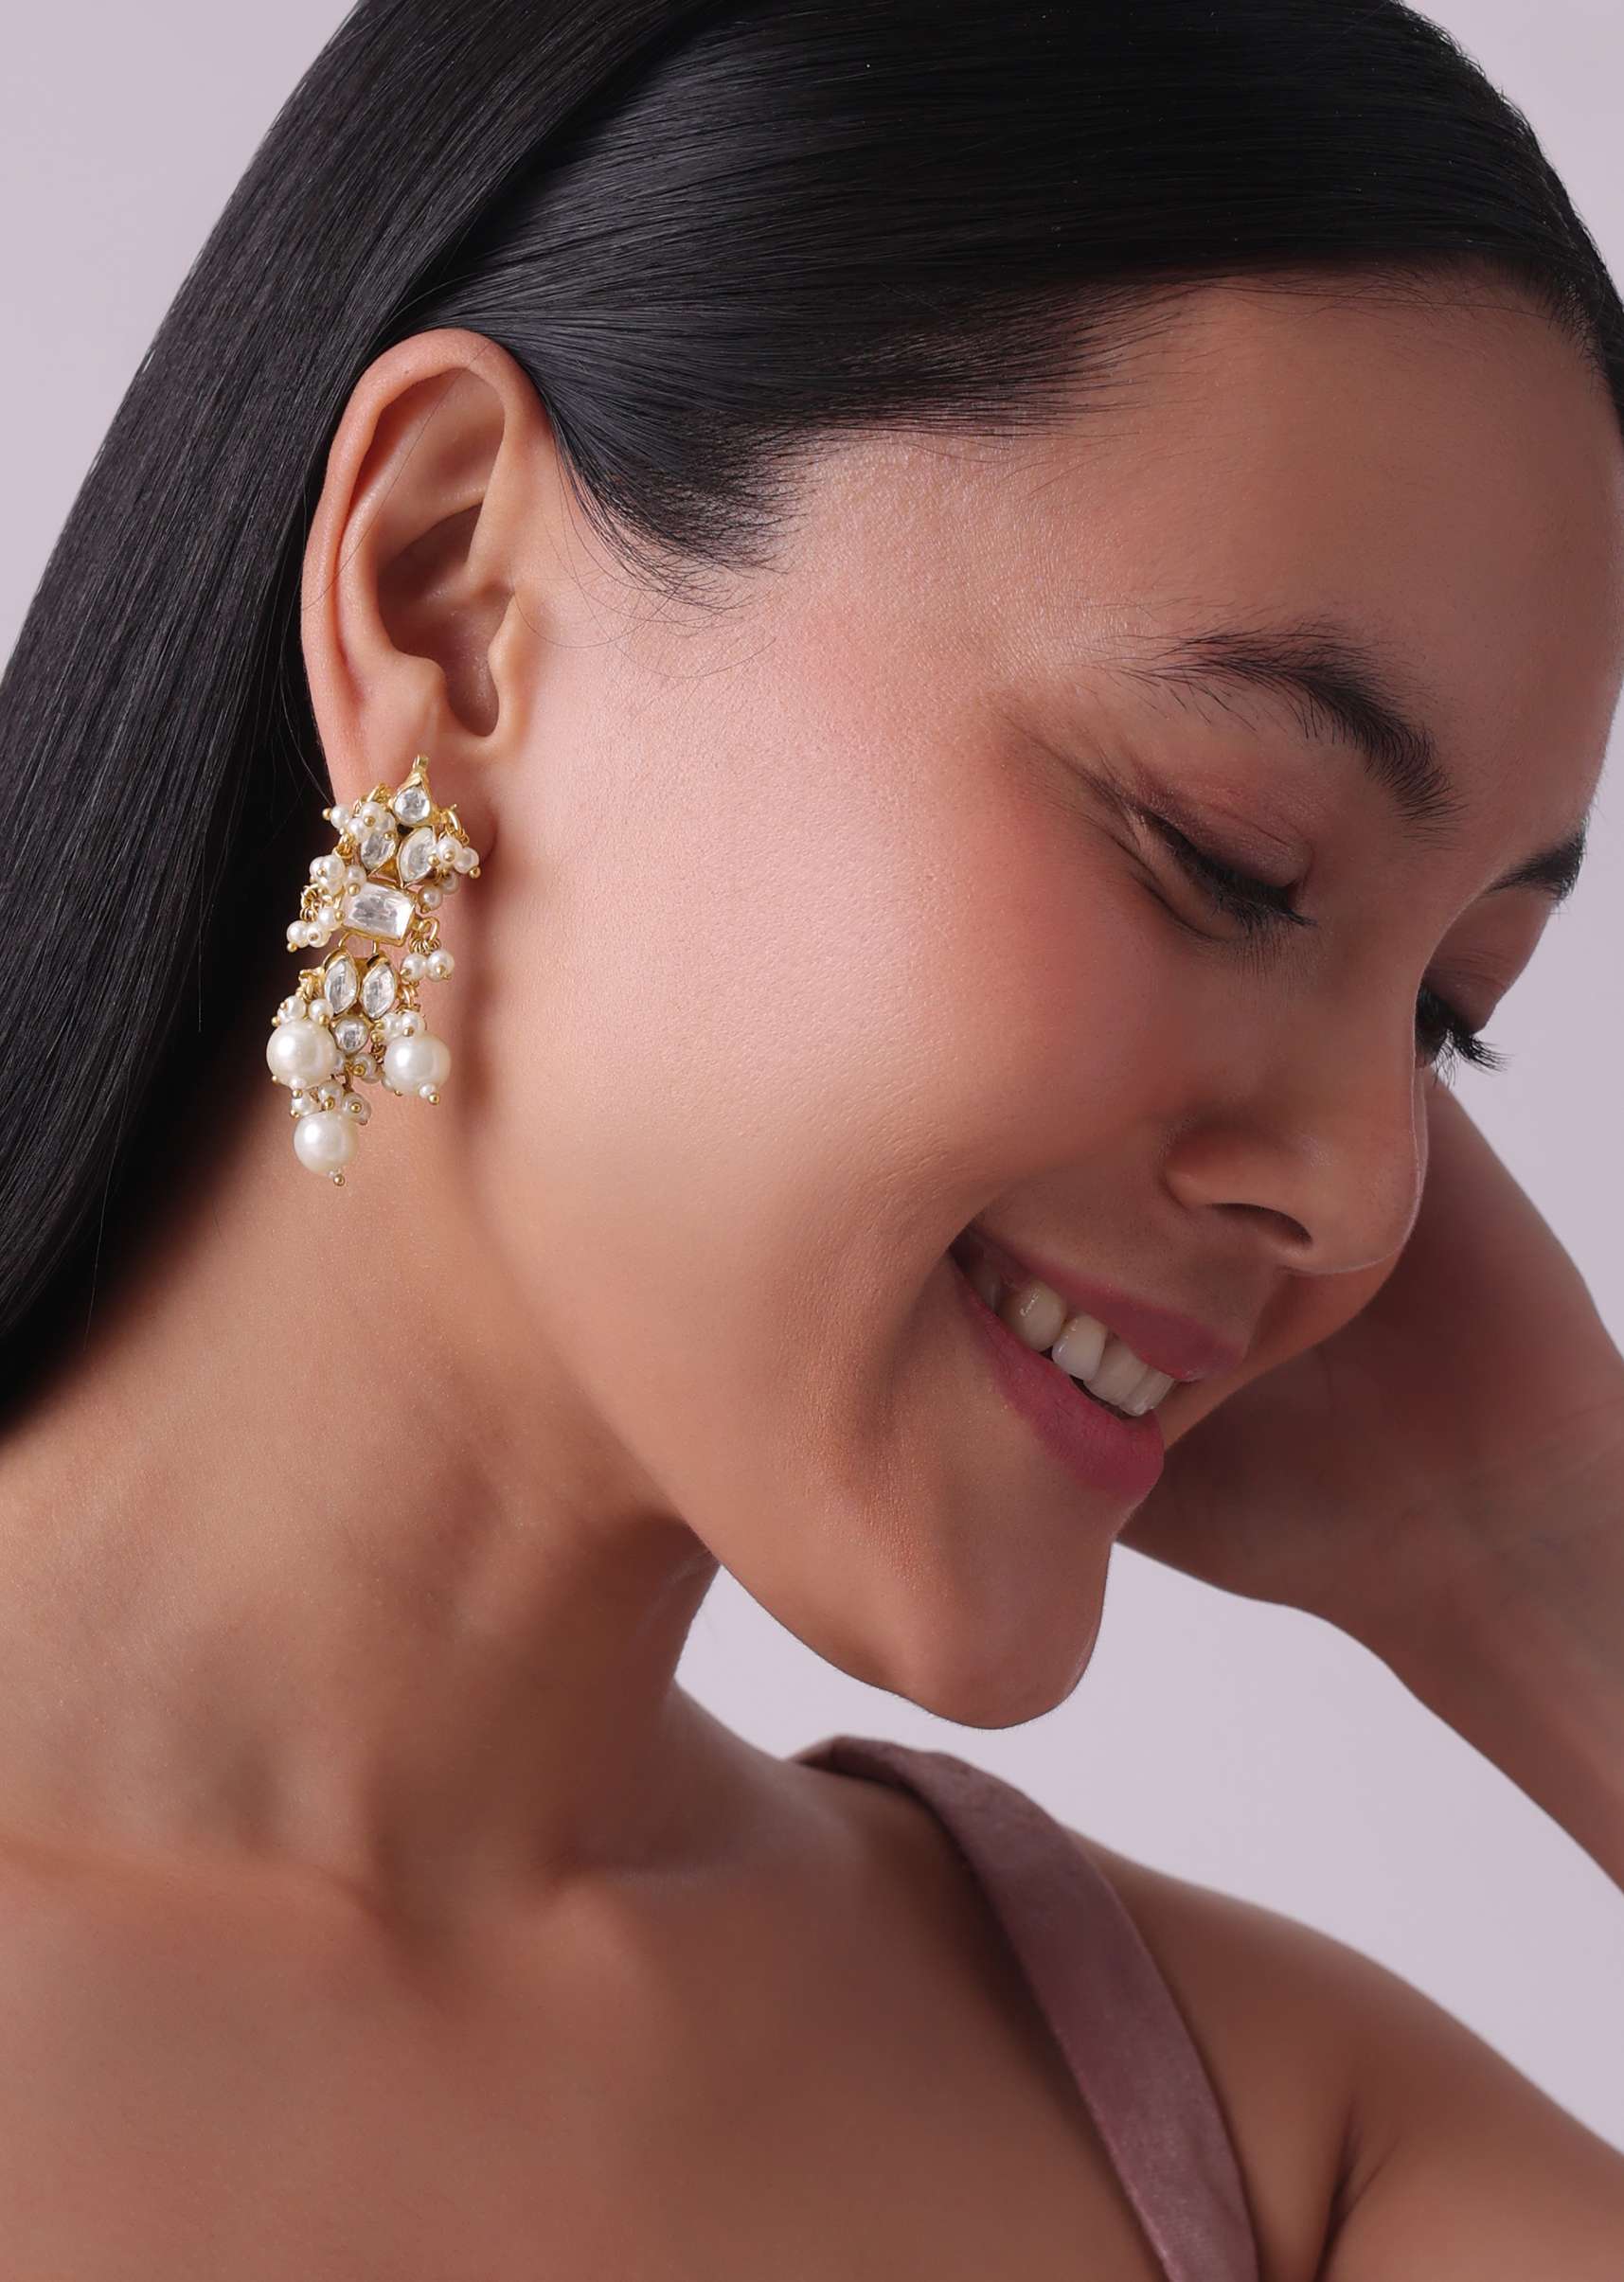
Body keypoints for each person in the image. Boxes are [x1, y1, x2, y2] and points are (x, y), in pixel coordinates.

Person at [0, 0, 1620, 2271]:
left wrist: (1554, 1572)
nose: (1363, 1192)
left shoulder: (1278, 2156)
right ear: (453, 600)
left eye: (1449, 1020)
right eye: (1229, 855)